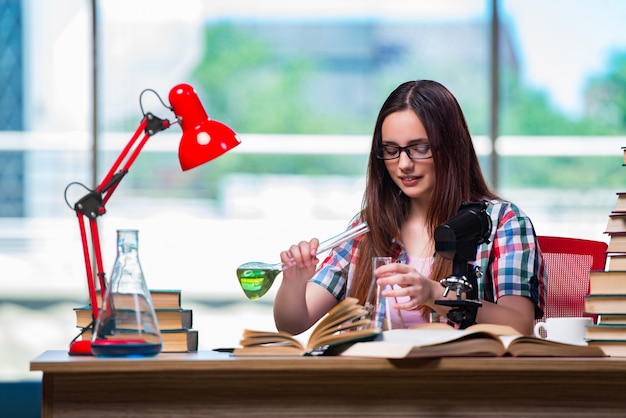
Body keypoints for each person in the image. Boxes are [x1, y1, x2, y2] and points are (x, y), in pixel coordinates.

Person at [273, 80, 546, 336]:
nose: (403, 164)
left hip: (459, 380)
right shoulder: (368, 227)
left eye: (419, 148)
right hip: (373, 379)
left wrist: (432, 294)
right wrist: (294, 282)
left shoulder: (502, 222)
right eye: (391, 150)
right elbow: (293, 323)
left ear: (451, 148)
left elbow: (518, 323)